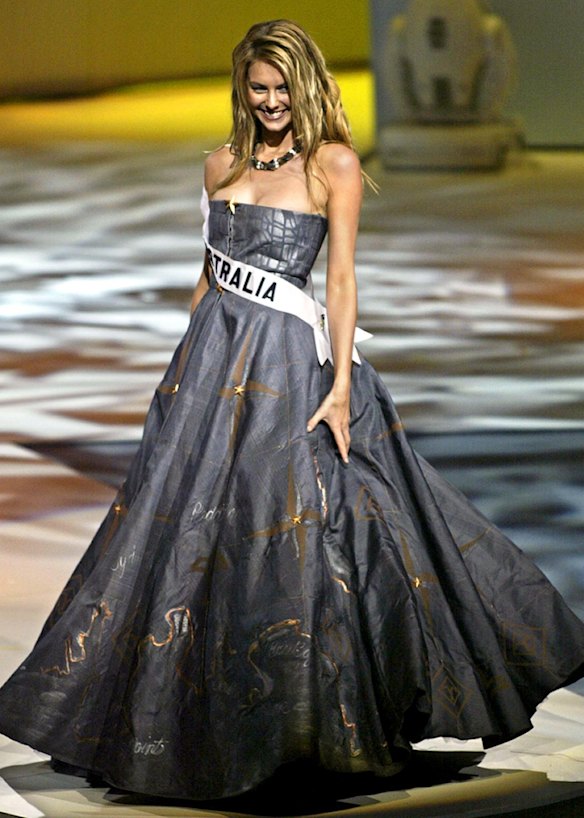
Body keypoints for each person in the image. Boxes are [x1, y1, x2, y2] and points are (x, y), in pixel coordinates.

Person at [0, 18, 583, 803]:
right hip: (213, 364)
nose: (271, 102)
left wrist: (340, 385)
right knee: (189, 536)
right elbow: (207, 280)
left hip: (288, 365)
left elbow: (339, 282)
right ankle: (188, 720)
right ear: (244, 89)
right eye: (259, 89)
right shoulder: (218, 166)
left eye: (283, 88)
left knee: (315, 533)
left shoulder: (331, 166)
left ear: (304, 86)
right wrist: (179, 379)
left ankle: (314, 721)